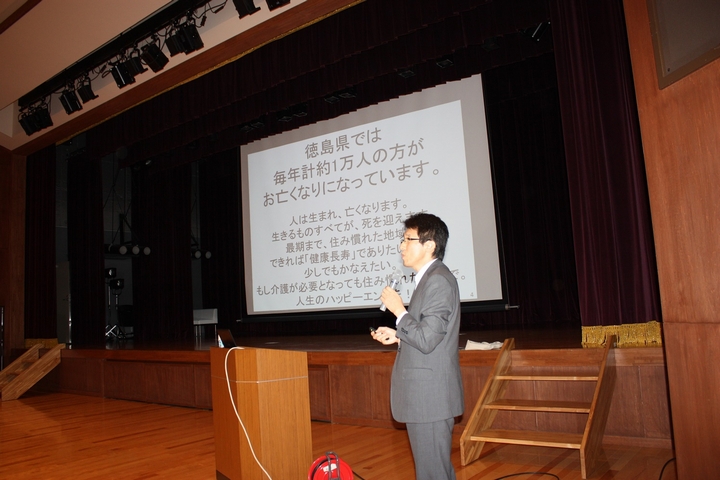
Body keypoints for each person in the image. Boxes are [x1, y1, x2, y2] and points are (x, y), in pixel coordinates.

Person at [371, 212, 463, 480]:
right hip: (426, 398)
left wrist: (399, 311)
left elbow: (427, 338)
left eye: (407, 239)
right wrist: (399, 335)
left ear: (429, 245)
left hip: (429, 399)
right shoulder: (428, 278)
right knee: (434, 472)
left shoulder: (438, 280)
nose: (401, 246)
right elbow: (430, 336)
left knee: (433, 474)